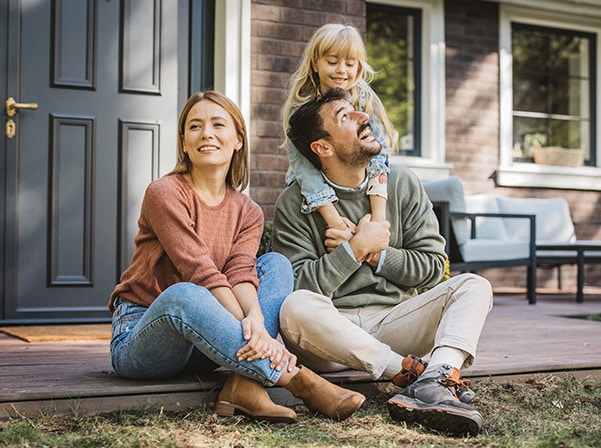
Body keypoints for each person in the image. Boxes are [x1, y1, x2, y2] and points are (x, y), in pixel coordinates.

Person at [108, 90, 365, 424]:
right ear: (184, 142)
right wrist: (254, 330)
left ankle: (243, 384)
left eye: (218, 124)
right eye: (195, 126)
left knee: (276, 265)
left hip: (208, 341)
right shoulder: (164, 193)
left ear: (238, 139)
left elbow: (240, 272)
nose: (206, 134)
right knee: (186, 294)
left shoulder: (247, 210)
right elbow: (198, 270)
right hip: (144, 338)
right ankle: (300, 380)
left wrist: (256, 320)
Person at [272, 87, 493, 436]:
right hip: (330, 333)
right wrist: (353, 250)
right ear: (323, 148)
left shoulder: (402, 183)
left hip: (395, 321)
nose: (364, 117)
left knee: (474, 286)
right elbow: (295, 285)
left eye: (357, 111)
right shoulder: (294, 202)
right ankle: (407, 373)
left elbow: (434, 265)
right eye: (345, 116)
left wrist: (378, 254)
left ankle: (437, 376)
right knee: (294, 306)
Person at [282, 23, 397, 244]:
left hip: (363, 189)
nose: (341, 70)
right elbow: (305, 171)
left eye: (350, 63)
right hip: (315, 193)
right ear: (315, 63)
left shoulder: (364, 101)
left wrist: (378, 219)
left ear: (359, 68)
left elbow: (379, 155)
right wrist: (335, 222)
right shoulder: (302, 109)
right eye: (332, 62)